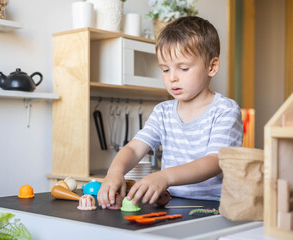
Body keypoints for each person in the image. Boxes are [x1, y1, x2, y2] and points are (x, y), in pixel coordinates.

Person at [97, 16, 243, 209]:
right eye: (165, 69)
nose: (172, 78)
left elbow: (214, 161)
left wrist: (165, 176)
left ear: (212, 66)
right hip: (171, 203)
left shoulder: (225, 110)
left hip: (214, 206)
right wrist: (115, 172)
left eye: (183, 68)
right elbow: (134, 149)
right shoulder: (163, 112)